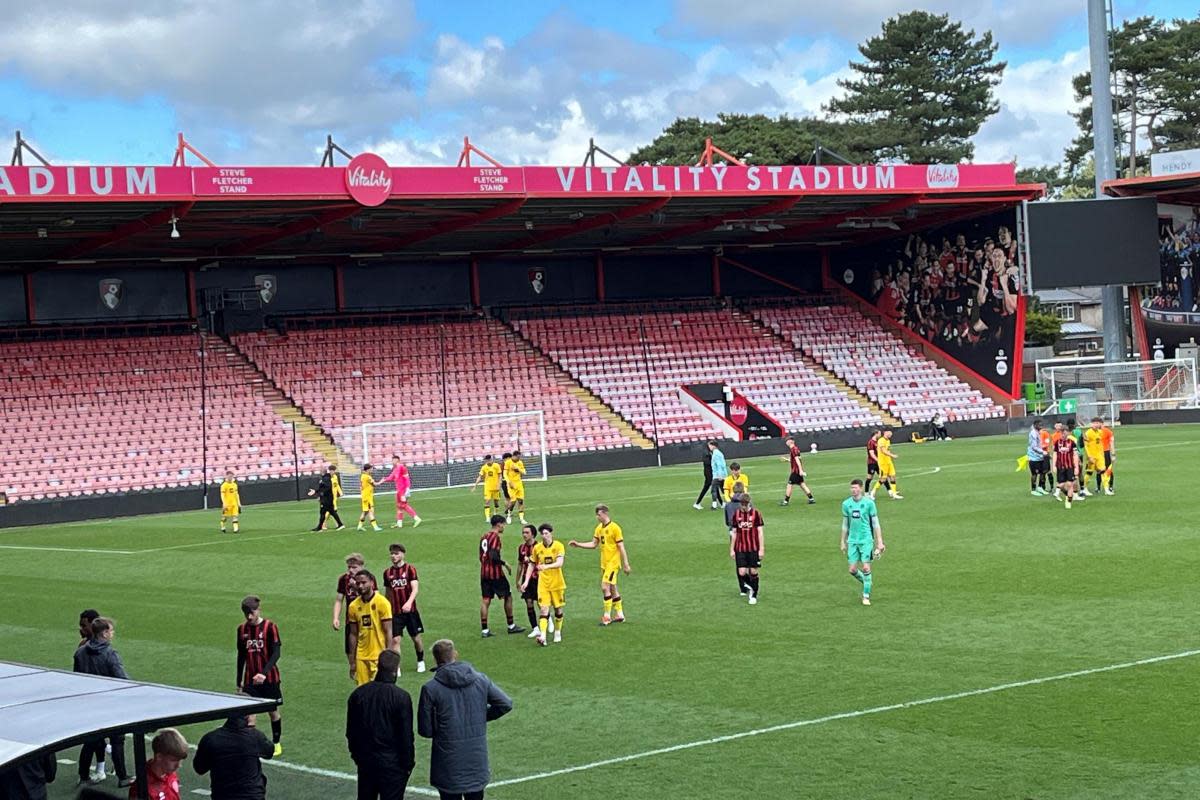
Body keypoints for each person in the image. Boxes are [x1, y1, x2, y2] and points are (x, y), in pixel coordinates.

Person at [417, 639, 513, 800]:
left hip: (447, 763)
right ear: (455, 654)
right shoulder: (480, 680)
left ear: (435, 659)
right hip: (476, 760)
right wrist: (481, 716)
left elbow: (425, 730)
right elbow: (505, 704)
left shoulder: (430, 689)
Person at [346, 650, 415, 800]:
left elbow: (351, 732)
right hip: (392, 765)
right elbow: (406, 737)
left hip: (366, 762)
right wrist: (408, 764)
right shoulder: (401, 697)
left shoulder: (358, 694)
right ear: (396, 670)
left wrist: (357, 756)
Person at [73, 617, 131, 789]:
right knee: (117, 740)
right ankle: (122, 776)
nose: (113, 634)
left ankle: (83, 776)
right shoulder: (110, 654)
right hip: (110, 704)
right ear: (104, 633)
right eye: (111, 631)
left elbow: (75, 679)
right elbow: (122, 679)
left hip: (89, 704)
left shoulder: (80, 652)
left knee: (90, 741)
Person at [568, 504, 630, 626]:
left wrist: (626, 564)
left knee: (604, 587)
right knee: (612, 588)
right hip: (604, 563)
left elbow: (621, 547)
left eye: (599, 514)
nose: (597, 517)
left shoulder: (615, 528)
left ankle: (607, 616)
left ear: (605, 514)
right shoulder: (599, 528)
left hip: (613, 562)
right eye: (596, 515)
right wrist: (578, 544)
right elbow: (593, 544)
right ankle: (620, 614)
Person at [236, 596, 283, 756]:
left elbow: (276, 653)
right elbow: (241, 656)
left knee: (273, 711)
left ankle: (276, 743)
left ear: (258, 610)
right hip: (250, 680)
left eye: (252, 613)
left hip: (269, 679)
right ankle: (250, 745)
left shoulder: (270, 627)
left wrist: (264, 673)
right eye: (246, 613)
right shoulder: (242, 630)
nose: (249, 617)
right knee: (249, 713)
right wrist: (238, 680)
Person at [193, 715, 273, 800]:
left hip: (223, 796)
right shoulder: (255, 736)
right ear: (248, 717)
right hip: (252, 795)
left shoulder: (211, 739)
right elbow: (269, 752)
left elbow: (199, 768)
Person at [383, 543, 427, 674]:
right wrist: (386, 607)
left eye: (396, 553)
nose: (393, 556)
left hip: (410, 611)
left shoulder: (410, 569)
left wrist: (409, 603)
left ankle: (420, 660)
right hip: (395, 612)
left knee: (416, 638)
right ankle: (397, 666)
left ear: (403, 554)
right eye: (392, 553)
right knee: (395, 639)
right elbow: (388, 592)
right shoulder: (387, 573)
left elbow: (415, 588)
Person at [841, 479, 885, 606]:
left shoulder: (869, 503)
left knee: (866, 568)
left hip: (866, 539)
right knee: (852, 570)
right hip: (853, 540)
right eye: (851, 488)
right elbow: (845, 524)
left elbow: (876, 523)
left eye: (855, 488)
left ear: (860, 488)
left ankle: (866, 596)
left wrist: (880, 542)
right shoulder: (846, 504)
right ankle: (867, 582)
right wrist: (843, 541)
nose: (853, 490)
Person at [478, 515, 524, 637]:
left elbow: (481, 556)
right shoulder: (495, 537)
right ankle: (511, 625)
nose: (504, 526)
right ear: (499, 524)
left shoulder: (484, 536)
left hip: (484, 573)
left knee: (485, 600)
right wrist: (505, 564)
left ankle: (484, 630)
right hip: (495, 574)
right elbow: (493, 555)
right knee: (508, 596)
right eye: (503, 524)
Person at [348, 570, 395, 686]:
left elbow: (388, 631)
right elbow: (353, 634)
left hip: (378, 656)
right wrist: (352, 661)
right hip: (361, 656)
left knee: (379, 689)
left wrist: (388, 656)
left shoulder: (382, 603)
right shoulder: (353, 606)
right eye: (358, 583)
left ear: (372, 582)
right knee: (362, 690)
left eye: (364, 582)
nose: (360, 586)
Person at [525, 523, 566, 645]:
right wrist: (526, 581)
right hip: (543, 584)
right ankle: (542, 636)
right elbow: (532, 564)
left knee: (558, 610)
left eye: (546, 533)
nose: (544, 536)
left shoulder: (558, 546)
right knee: (543, 609)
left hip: (557, 583)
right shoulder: (537, 548)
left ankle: (557, 632)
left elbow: (559, 563)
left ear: (551, 533)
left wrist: (545, 566)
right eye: (542, 534)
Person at [334, 553, 377, 655]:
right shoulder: (344, 579)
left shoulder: (368, 579)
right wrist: (336, 617)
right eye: (349, 567)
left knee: (368, 650)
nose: (350, 570)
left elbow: (374, 599)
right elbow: (339, 600)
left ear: (361, 567)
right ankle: (353, 669)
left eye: (354, 567)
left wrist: (357, 587)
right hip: (351, 620)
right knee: (350, 651)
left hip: (367, 619)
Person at [131, 728, 188, 800]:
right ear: (159, 757)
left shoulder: (169, 772)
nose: (179, 765)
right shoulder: (142, 788)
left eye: (180, 760)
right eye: (174, 760)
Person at [729, 494, 765, 605]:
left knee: (753, 571)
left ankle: (754, 594)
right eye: (742, 504)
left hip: (753, 548)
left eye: (745, 504)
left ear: (749, 503)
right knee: (742, 572)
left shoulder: (756, 514)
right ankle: (751, 586)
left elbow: (760, 532)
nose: (743, 507)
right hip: (740, 548)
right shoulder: (737, 514)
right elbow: (734, 532)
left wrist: (761, 548)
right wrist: (732, 549)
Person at [516, 524, 548, 637]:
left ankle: (548, 620)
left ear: (533, 534)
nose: (524, 535)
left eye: (527, 532)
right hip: (527, 579)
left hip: (539, 578)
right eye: (523, 532)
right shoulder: (521, 548)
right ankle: (535, 628)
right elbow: (520, 565)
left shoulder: (539, 547)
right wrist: (518, 581)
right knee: (529, 603)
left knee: (541, 603)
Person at [378, 455, 421, 528]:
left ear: (396, 460)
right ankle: (399, 523)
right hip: (399, 490)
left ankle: (417, 519)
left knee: (403, 505)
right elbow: (391, 478)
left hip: (403, 490)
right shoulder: (395, 469)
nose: (392, 462)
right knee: (399, 506)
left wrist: (408, 488)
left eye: (393, 460)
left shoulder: (402, 467)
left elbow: (407, 478)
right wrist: (384, 479)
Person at [724, 480, 746, 596]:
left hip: (733, 533)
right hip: (746, 533)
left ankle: (742, 588)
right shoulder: (747, 504)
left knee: (739, 560)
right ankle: (750, 582)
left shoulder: (728, 505)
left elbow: (727, 522)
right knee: (748, 558)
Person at [1052, 422, 1082, 509]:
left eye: (1065, 433)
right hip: (1060, 466)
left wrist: (1076, 467)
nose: (1063, 435)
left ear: (1068, 433)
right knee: (1061, 485)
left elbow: (1075, 455)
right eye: (1062, 433)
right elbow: (1055, 454)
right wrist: (1053, 465)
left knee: (1070, 484)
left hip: (1070, 466)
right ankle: (1067, 495)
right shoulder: (1057, 443)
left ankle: (1068, 501)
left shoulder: (1072, 443)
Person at [779, 436, 815, 505]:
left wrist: (800, 470)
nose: (786, 442)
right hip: (797, 470)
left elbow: (797, 460)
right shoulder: (796, 449)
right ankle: (811, 498)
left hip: (796, 471)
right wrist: (787, 460)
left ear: (790, 441)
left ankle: (786, 501)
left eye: (787, 441)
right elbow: (795, 460)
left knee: (789, 485)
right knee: (802, 484)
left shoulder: (793, 449)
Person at [308, 466, 344, 531]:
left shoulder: (326, 478)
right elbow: (323, 488)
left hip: (326, 499)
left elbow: (327, 488)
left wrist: (319, 493)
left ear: (322, 471)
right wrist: (316, 492)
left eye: (320, 470)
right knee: (331, 512)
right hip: (327, 498)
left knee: (323, 512)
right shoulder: (325, 478)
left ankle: (320, 527)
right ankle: (340, 524)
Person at [470, 455, 503, 523]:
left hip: (496, 487)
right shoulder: (484, 467)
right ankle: (487, 517)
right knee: (487, 501)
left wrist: (499, 485)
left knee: (496, 502)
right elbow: (480, 477)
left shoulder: (496, 466)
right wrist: (475, 486)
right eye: (486, 460)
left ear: (491, 459)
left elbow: (500, 476)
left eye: (488, 460)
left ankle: (495, 513)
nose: (487, 461)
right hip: (488, 487)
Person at [872, 430, 902, 500]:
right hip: (883, 463)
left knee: (893, 476)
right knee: (883, 479)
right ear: (885, 433)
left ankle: (894, 493)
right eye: (889, 433)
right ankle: (873, 492)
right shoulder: (881, 440)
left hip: (889, 462)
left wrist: (890, 456)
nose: (890, 435)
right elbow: (883, 451)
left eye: (891, 434)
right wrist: (892, 455)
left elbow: (887, 450)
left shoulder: (888, 441)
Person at [1083, 418, 1108, 496]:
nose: (1096, 424)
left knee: (1103, 471)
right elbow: (1086, 445)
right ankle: (1084, 488)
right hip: (1092, 457)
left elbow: (1099, 444)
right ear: (1091, 424)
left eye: (1097, 423)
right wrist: (1089, 456)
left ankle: (1106, 489)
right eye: (1094, 423)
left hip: (1099, 456)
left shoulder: (1100, 432)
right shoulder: (1088, 433)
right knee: (1089, 472)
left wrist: (1102, 454)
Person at [503, 449, 528, 525]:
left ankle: (521, 518)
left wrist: (518, 469)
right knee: (513, 501)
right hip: (511, 484)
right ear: (514, 456)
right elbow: (505, 473)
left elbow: (524, 472)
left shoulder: (520, 462)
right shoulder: (508, 462)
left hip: (519, 484)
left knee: (521, 501)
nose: (519, 459)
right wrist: (509, 482)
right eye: (518, 457)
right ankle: (509, 515)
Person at [357, 464, 383, 532]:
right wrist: (381, 481)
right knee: (370, 511)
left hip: (364, 496)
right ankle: (375, 526)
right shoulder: (368, 477)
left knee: (365, 512)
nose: (372, 470)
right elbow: (374, 484)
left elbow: (361, 487)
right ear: (368, 469)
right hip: (368, 497)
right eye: (371, 469)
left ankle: (359, 526)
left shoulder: (362, 476)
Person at [1026, 419, 1049, 496]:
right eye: (1039, 425)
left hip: (1040, 457)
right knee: (1034, 474)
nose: (1041, 426)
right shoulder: (1033, 433)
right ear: (1035, 425)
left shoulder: (1038, 432)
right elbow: (1034, 447)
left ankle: (1040, 487)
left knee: (1042, 472)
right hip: (1034, 458)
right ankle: (1033, 489)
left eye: (1041, 424)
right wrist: (1043, 452)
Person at [692, 441, 715, 511]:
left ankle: (720, 502)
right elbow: (706, 462)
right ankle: (697, 503)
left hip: (710, 472)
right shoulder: (706, 453)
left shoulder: (709, 452)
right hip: (708, 473)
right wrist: (713, 461)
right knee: (709, 487)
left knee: (714, 487)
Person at [708, 441, 728, 509]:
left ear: (713, 446)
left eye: (710, 446)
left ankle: (714, 505)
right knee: (723, 489)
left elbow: (719, 464)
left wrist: (719, 475)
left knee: (714, 489)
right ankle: (728, 503)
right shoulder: (719, 453)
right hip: (723, 474)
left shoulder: (716, 454)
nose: (709, 447)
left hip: (717, 475)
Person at [1100, 419, 1116, 494]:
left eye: (1099, 423)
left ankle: (1110, 486)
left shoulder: (1107, 431)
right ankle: (1099, 487)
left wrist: (1113, 454)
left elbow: (1111, 443)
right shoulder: (1092, 432)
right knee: (1099, 471)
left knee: (1108, 470)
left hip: (1105, 452)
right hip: (1096, 453)